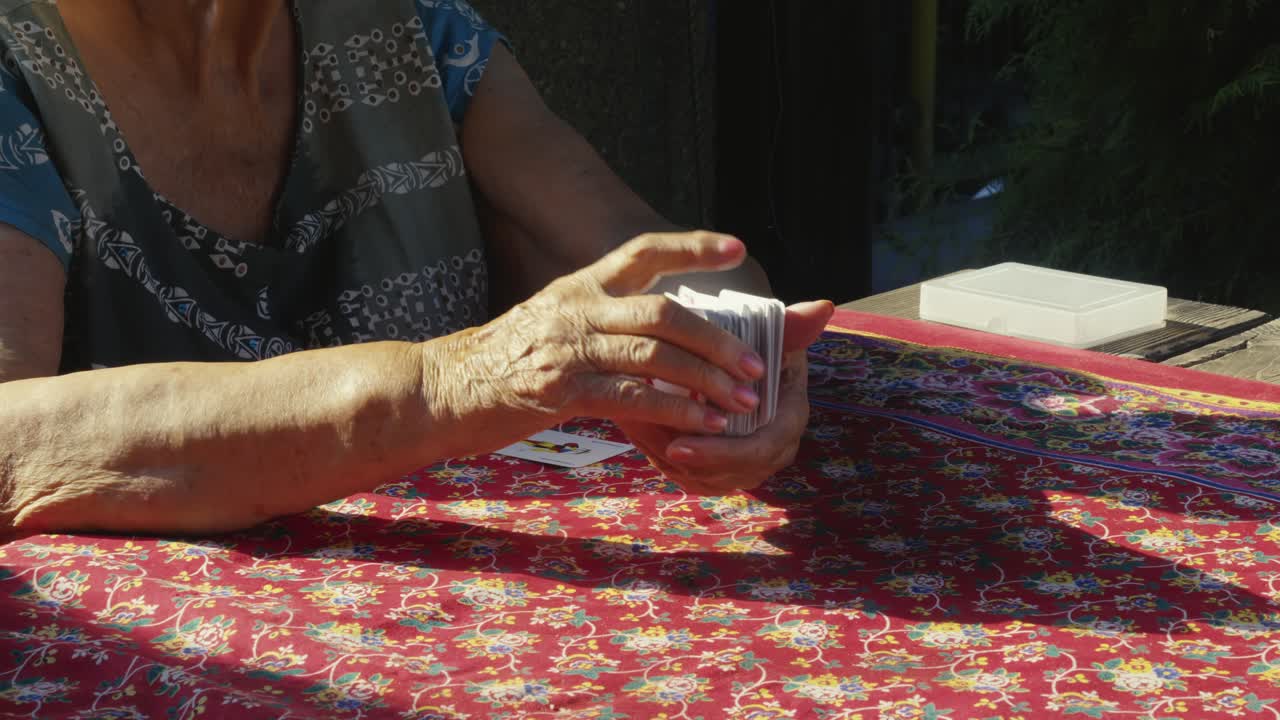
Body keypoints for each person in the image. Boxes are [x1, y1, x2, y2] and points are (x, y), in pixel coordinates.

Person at [0, 0, 834, 537]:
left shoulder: (411, 28)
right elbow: (12, 432)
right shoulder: (19, 74)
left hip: (476, 627)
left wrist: (738, 356)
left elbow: (644, 247)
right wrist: (462, 380)